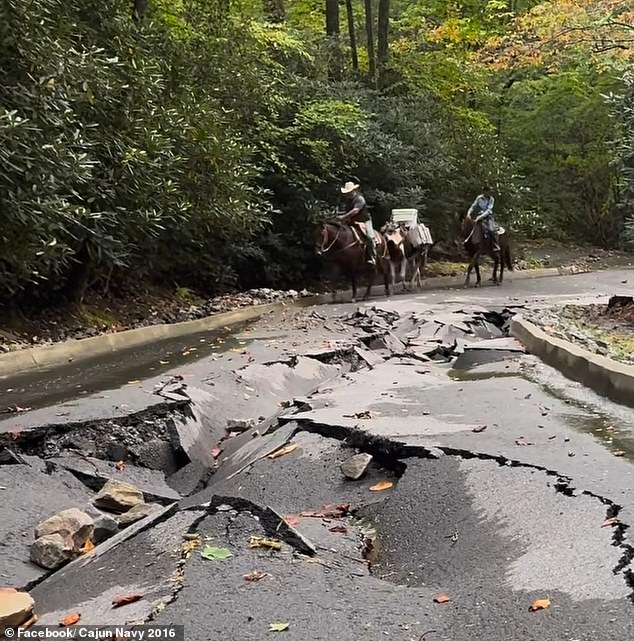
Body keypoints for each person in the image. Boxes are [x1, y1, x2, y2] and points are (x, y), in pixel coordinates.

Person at [339, 181, 376, 264]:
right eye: (347, 192)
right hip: (352, 221)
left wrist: (343, 217)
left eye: (349, 192)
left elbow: (355, 211)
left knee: (369, 237)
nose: (348, 194)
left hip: (364, 221)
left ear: (353, 190)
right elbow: (347, 211)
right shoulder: (348, 200)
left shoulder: (360, 199)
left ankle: (372, 256)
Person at [467, 187, 499, 251]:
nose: (487, 193)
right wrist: (469, 213)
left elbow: (488, 210)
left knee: (490, 229)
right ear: (484, 191)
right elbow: (473, 206)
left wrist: (480, 217)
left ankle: (495, 245)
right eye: (486, 191)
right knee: (468, 225)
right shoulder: (479, 198)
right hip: (478, 214)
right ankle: (467, 242)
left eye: (488, 192)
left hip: (487, 217)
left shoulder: (491, 199)